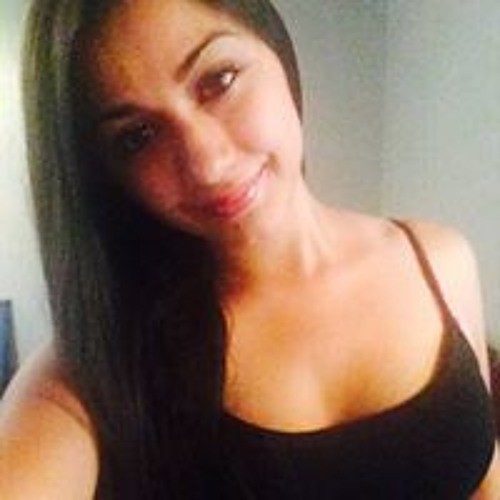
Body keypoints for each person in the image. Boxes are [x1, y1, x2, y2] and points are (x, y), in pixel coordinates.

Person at [1, 0, 498, 498]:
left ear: (277, 51)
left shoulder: (440, 260)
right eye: (138, 136)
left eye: (218, 81)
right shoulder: (92, 375)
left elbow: (483, 479)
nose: (208, 165)